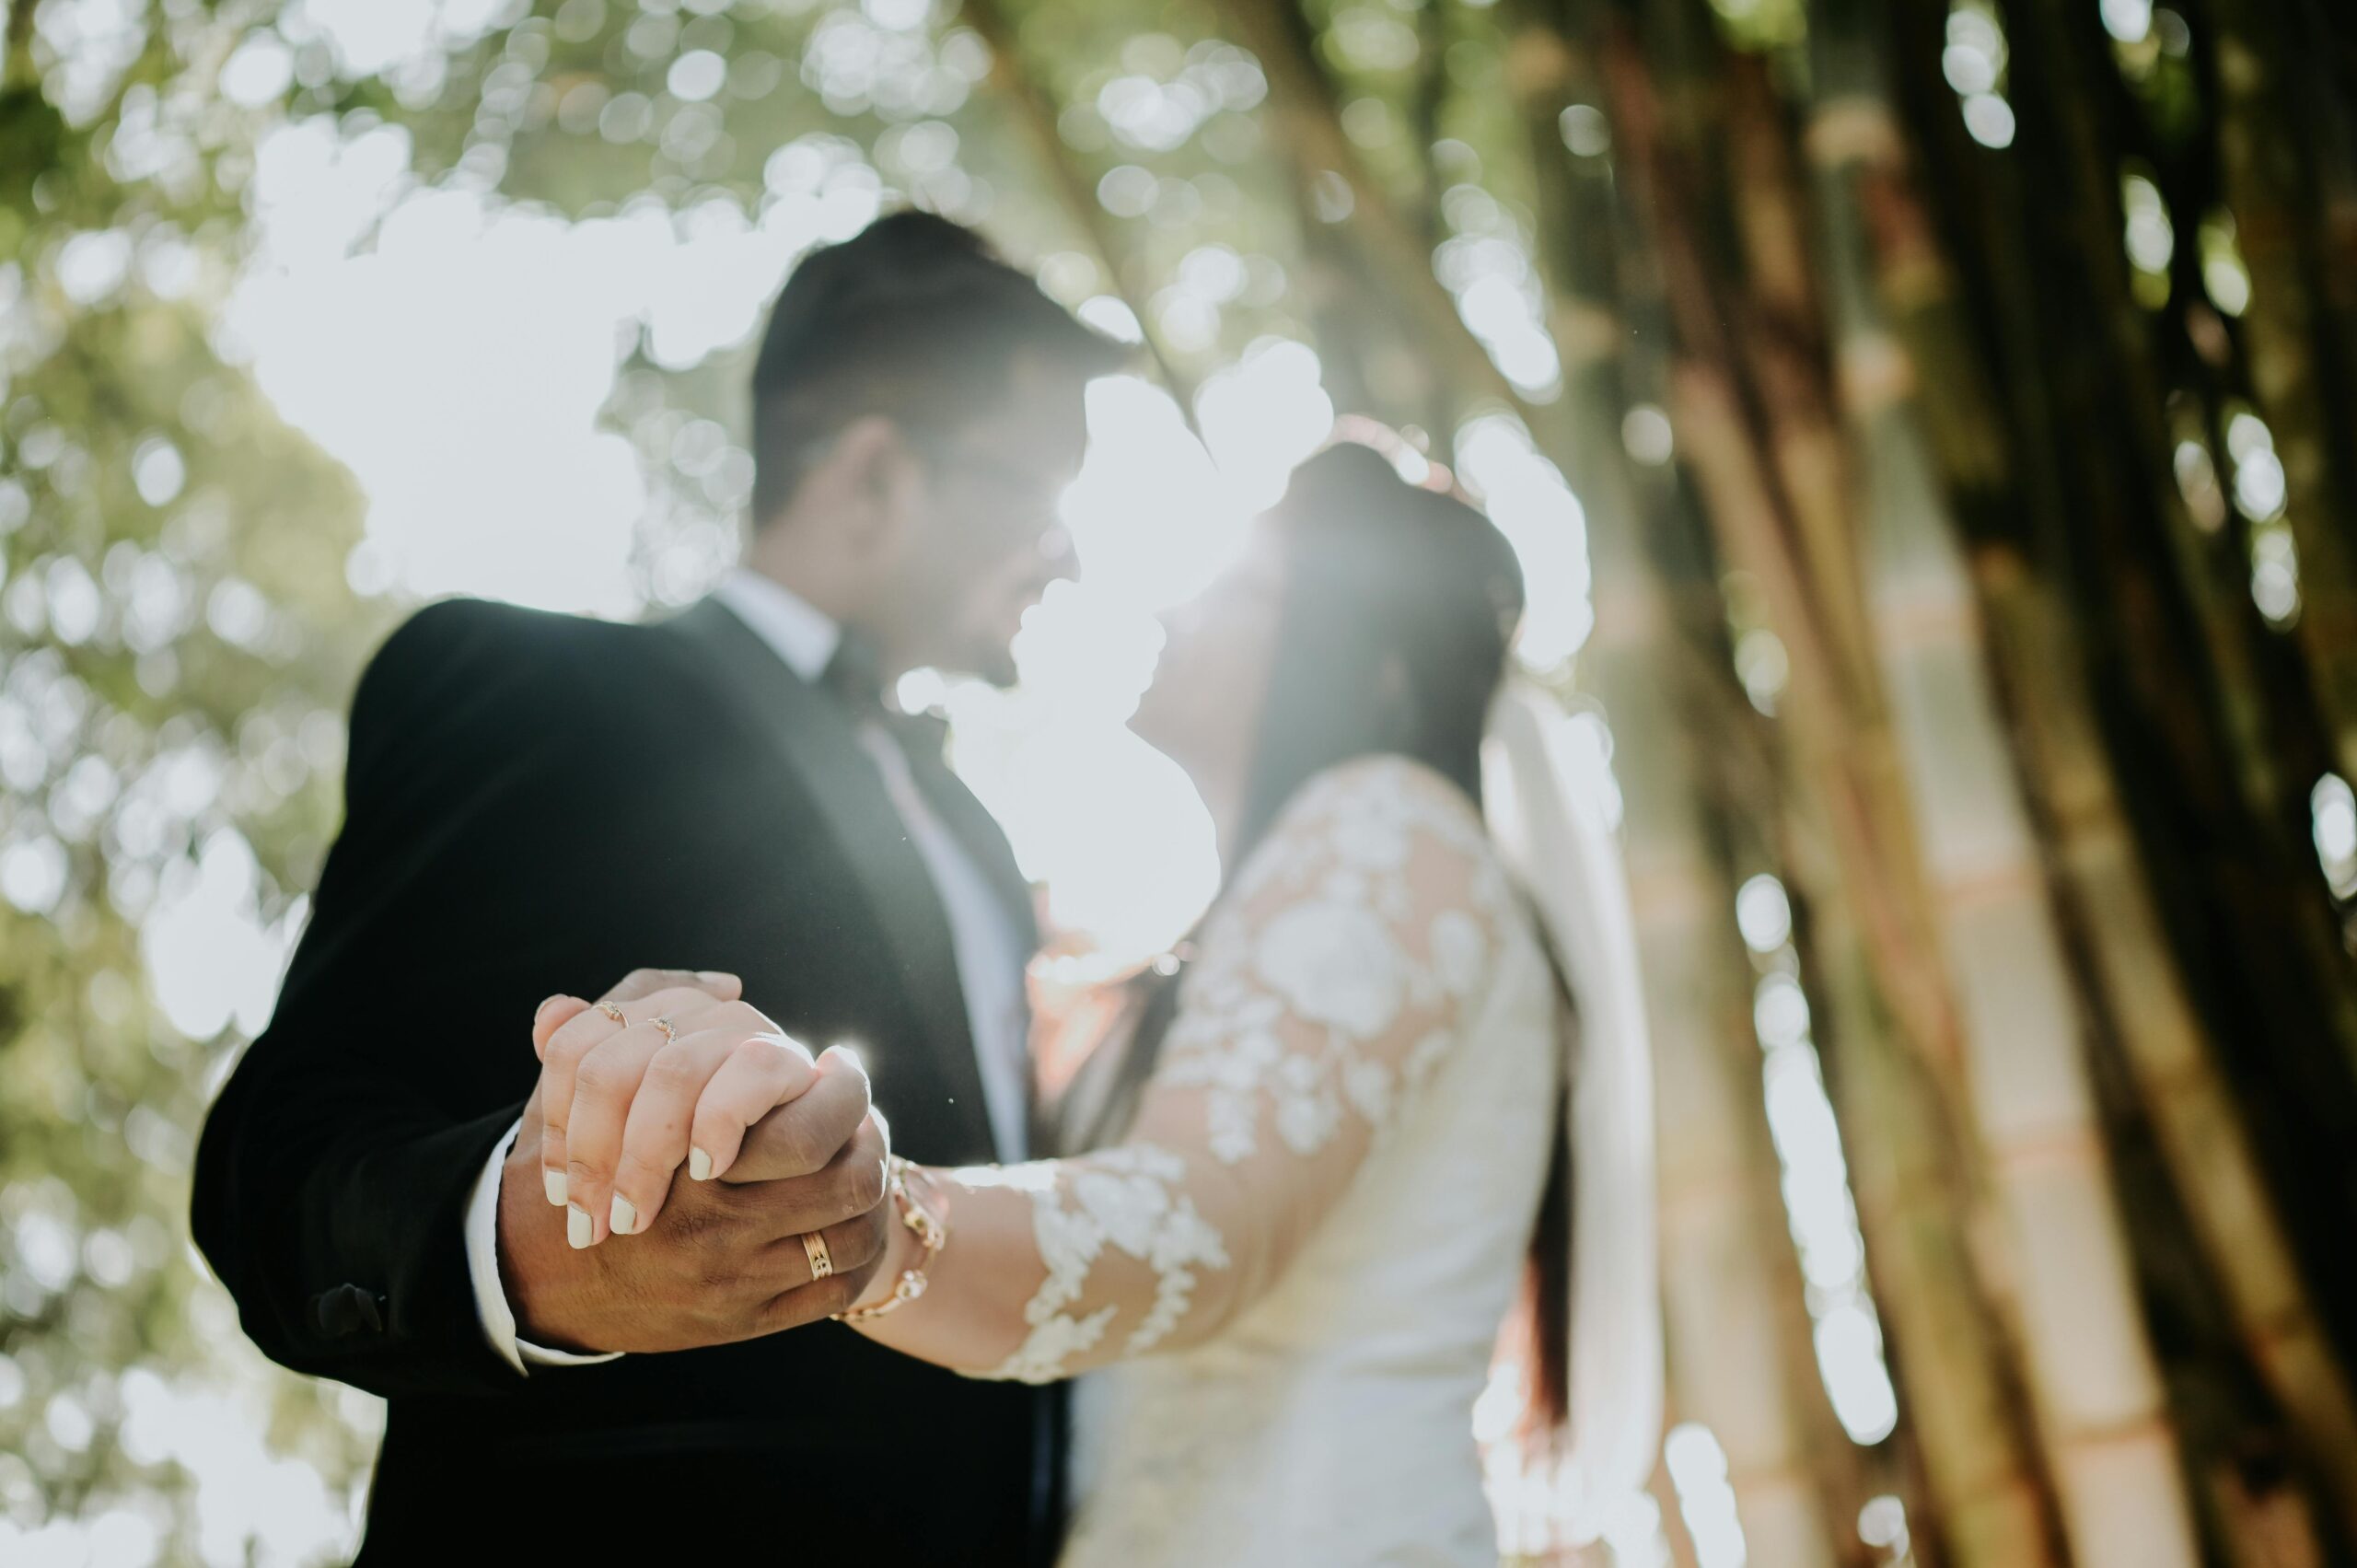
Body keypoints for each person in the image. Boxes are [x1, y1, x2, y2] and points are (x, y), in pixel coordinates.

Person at [535, 440, 1665, 1565]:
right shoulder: (1301, 904)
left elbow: (1199, 1217)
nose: (1180, 609)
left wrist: (863, 1224)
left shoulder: (1388, 830)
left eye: (1242, 590)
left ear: (1372, 665)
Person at [189, 210, 1127, 1563]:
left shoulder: (982, 838)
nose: (1068, 554)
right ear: (873, 475)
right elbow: (284, 1159)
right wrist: (544, 1254)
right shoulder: (538, 690)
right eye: (1038, 491)